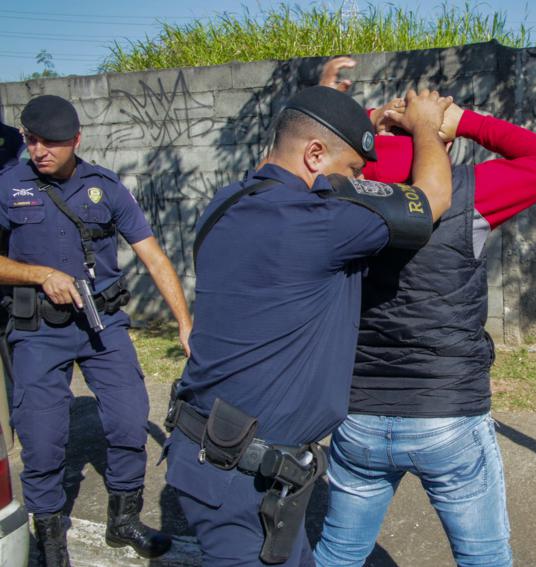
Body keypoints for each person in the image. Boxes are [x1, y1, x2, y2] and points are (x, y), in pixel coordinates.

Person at [164, 85, 453, 566]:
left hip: (227, 459)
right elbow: (434, 197)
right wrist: (424, 123)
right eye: (354, 172)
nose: (357, 183)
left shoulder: (225, 202)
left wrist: (362, 117)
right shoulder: (320, 222)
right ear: (315, 154)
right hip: (239, 478)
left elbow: (286, 144)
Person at [314, 63, 536, 567]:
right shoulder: (470, 190)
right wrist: (461, 119)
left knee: (339, 554)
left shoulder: (336, 190)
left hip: (358, 410)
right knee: (484, 557)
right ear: (441, 142)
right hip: (447, 412)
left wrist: (367, 116)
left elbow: (290, 155)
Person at [0, 94, 192, 565]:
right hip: (38, 328)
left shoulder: (104, 187)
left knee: (129, 420)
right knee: (42, 439)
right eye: (32, 139)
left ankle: (123, 522)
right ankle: (50, 541)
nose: (41, 150)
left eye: (53, 142)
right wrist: (40, 274)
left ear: (77, 140)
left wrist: (186, 324)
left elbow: (152, 254)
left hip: (102, 323)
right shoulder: (7, 186)